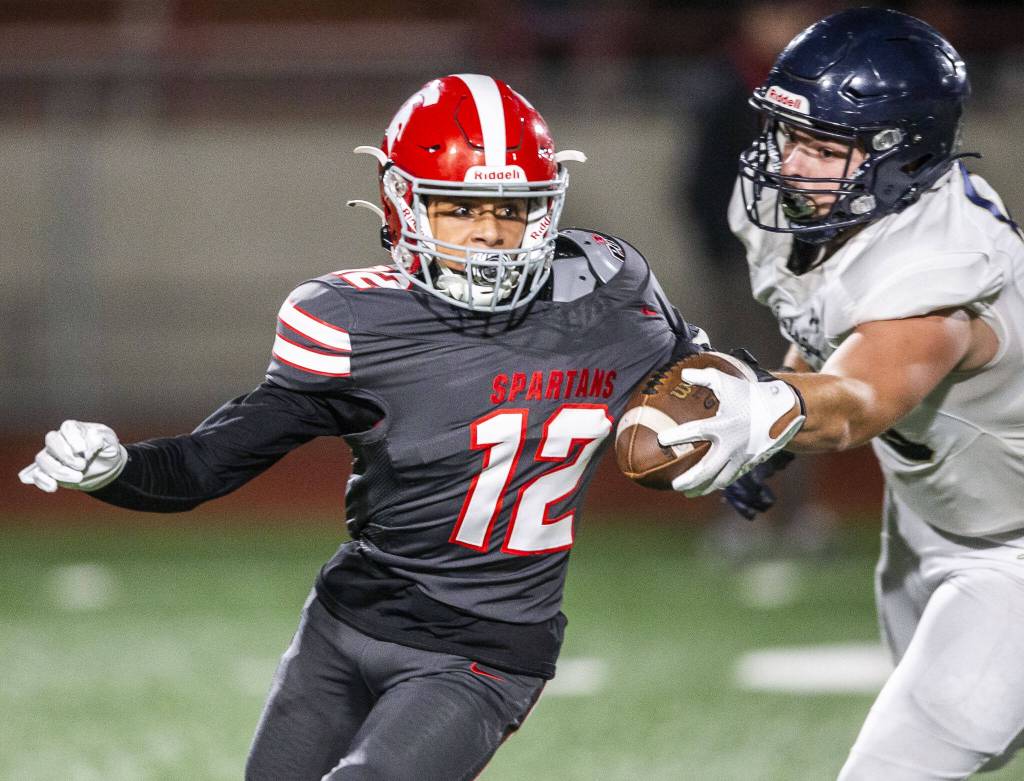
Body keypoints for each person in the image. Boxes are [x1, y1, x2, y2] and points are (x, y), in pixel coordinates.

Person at [18, 74, 718, 780]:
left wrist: (751, 442)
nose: (490, 232)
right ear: (402, 204)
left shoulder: (610, 293)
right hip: (345, 624)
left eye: (512, 207)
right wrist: (117, 469)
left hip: (485, 652)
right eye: (458, 207)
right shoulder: (357, 324)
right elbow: (211, 461)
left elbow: (712, 391)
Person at [661, 8, 1024, 780]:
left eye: (825, 147)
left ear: (904, 152)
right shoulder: (813, 213)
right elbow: (829, 336)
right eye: (789, 135)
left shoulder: (940, 263)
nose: (792, 165)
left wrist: (767, 413)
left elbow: (861, 395)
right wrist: (777, 433)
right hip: (936, 518)